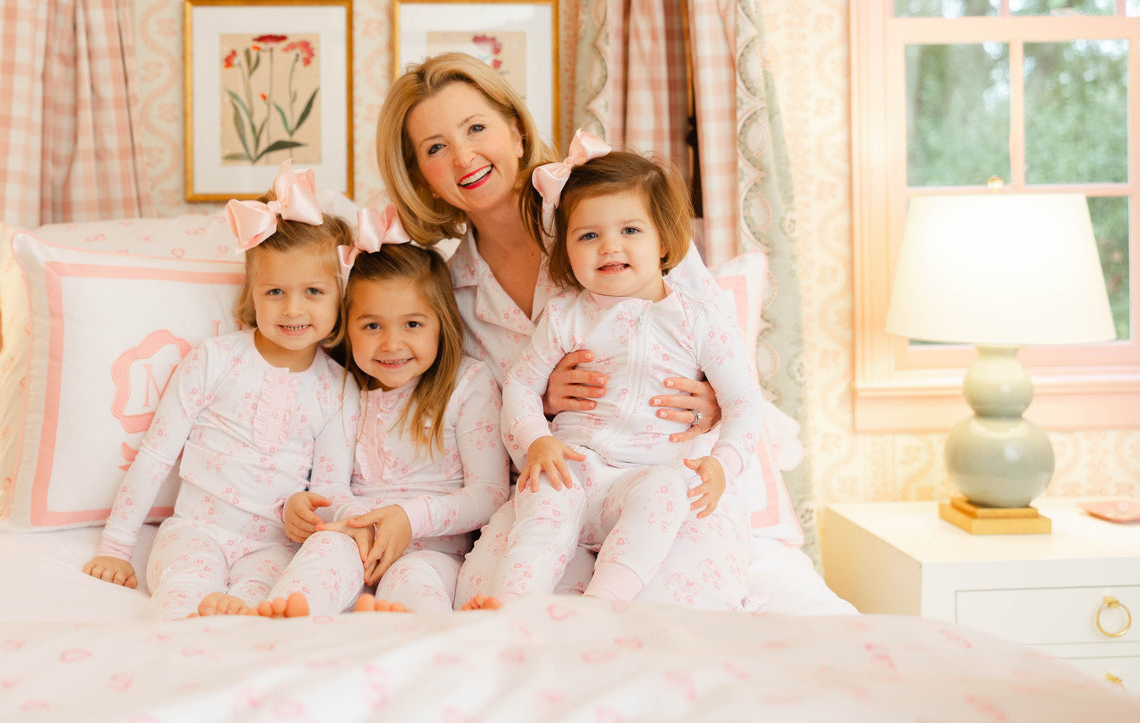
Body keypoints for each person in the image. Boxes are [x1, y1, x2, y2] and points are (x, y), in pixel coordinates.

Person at [375, 52, 744, 610]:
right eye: (435, 148)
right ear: (422, 178)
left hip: (662, 480)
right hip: (557, 490)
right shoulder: (446, 296)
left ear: (518, 133)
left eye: (476, 128)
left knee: (660, 617)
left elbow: (720, 343)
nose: (464, 156)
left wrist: (715, 402)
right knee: (500, 601)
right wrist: (540, 403)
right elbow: (476, 426)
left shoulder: (616, 219)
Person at [479, 135, 762, 605]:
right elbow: (521, 384)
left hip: (643, 478)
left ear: (665, 240)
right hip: (575, 467)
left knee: (668, 490)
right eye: (589, 235)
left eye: (630, 230)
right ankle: (510, 606)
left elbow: (744, 404)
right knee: (546, 498)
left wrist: (722, 463)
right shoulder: (567, 315)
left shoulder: (700, 321)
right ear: (567, 252)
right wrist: (536, 439)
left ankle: (604, 603)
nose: (609, 246)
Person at [81, 162, 359, 618]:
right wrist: (115, 546)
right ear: (251, 293)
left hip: (273, 546)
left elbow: (329, 486)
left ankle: (236, 643)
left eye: (313, 291)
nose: (293, 308)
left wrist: (309, 510)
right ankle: (179, 642)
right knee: (184, 589)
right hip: (195, 530)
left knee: (262, 604)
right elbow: (155, 456)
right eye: (274, 292)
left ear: (339, 297)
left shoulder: (338, 388)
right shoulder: (213, 360)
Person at [256, 206, 508, 617]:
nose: (391, 344)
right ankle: (288, 618)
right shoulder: (343, 387)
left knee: (414, 580)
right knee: (323, 549)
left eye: (412, 324)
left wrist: (407, 519)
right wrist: (357, 522)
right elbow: (329, 485)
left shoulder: (468, 385)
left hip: (431, 551)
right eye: (372, 326)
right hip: (354, 537)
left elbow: (490, 494)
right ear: (347, 326)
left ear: (442, 323)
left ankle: (410, 632)